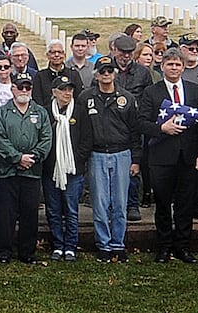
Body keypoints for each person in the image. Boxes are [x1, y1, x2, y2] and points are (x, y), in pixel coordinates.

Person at [138, 48, 198, 264]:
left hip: (188, 156)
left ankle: (182, 246)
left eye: (178, 64)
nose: (174, 68)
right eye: (170, 64)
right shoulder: (152, 92)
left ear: (183, 66)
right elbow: (141, 123)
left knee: (185, 204)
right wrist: (162, 129)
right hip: (161, 157)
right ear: (162, 67)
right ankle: (164, 247)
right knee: (162, 204)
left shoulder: (194, 90)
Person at [76, 56, 142, 263]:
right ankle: (103, 245)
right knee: (100, 203)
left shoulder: (127, 98)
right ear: (95, 75)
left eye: (109, 71)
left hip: (122, 154)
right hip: (96, 155)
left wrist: (136, 159)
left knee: (119, 203)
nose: (106, 75)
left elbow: (135, 131)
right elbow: (80, 130)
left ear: (115, 74)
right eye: (102, 71)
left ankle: (118, 244)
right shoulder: (86, 98)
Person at [0, 73, 53, 264]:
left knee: (29, 213)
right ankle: (4, 252)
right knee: (6, 214)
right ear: (13, 89)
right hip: (7, 171)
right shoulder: (2, 112)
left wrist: (32, 158)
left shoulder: (40, 112)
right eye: (21, 87)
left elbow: (46, 138)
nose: (24, 91)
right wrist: (17, 158)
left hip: (32, 172)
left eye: (28, 87)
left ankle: (27, 252)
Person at [109, 35, 152, 221]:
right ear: (114, 50)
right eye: (122, 52)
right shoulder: (106, 69)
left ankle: (132, 204)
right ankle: (112, 204)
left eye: (129, 53)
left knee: (134, 165)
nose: (125, 56)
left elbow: (148, 98)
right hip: (110, 124)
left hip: (135, 124)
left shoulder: (143, 73)